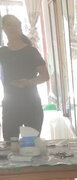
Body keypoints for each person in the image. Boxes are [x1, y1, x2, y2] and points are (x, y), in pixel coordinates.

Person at [0, 14, 49, 142]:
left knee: (31, 146)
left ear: (20, 28)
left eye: (15, 25)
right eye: (8, 25)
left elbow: (45, 76)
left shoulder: (31, 52)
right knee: (11, 146)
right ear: (3, 28)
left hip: (31, 105)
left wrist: (28, 82)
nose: (11, 28)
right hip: (10, 106)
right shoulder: (2, 52)